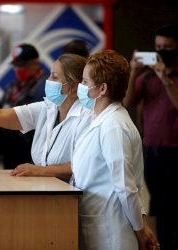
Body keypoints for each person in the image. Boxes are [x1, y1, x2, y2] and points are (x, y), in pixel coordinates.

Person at [72, 50, 159, 250]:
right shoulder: (99, 120)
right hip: (97, 225)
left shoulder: (114, 127)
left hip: (112, 233)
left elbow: (126, 188)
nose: (81, 87)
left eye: (85, 82)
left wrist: (141, 230)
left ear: (102, 88)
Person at [122, 24, 178, 249]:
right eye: (158, 47)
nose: (161, 50)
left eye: (167, 47)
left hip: (176, 149)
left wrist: (165, 77)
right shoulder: (146, 77)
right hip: (152, 149)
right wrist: (134, 70)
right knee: (158, 204)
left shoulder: (168, 76)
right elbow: (128, 102)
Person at [0, 43, 48, 169]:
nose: (18, 69)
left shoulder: (43, 87)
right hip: (9, 148)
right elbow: (4, 111)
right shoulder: (12, 87)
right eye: (15, 66)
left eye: (22, 65)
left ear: (35, 63)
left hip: (29, 150)